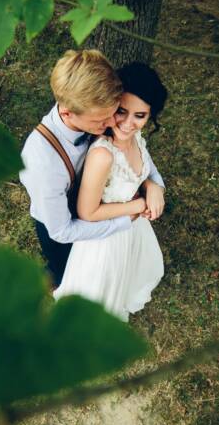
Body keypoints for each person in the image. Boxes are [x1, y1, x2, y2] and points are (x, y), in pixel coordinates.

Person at [20, 51, 166, 289]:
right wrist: (126, 218)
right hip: (65, 227)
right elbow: (62, 231)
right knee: (67, 274)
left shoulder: (96, 110)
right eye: (101, 121)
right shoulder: (41, 162)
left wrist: (153, 184)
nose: (112, 125)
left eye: (112, 113)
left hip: (102, 211)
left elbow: (135, 157)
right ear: (67, 112)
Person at [52, 62, 168, 322]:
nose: (128, 124)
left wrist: (153, 186)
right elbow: (87, 212)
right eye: (122, 112)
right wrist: (138, 206)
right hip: (104, 239)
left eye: (140, 116)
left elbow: (141, 170)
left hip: (131, 231)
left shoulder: (135, 138)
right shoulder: (103, 154)